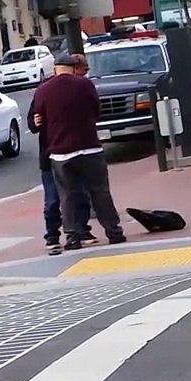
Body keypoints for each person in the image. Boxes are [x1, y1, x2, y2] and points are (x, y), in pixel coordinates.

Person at [31, 53, 127, 250]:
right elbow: (96, 110)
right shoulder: (85, 85)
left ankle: (72, 238)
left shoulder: (43, 90)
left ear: (55, 68)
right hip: (90, 147)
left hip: (61, 152)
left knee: (67, 196)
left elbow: (39, 116)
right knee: (100, 192)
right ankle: (114, 232)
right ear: (73, 67)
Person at [28, 75, 97, 255]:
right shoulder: (41, 93)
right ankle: (52, 235)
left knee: (79, 194)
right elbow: (32, 123)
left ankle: (81, 229)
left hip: (69, 151)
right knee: (53, 200)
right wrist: (34, 123)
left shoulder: (72, 93)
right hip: (50, 155)